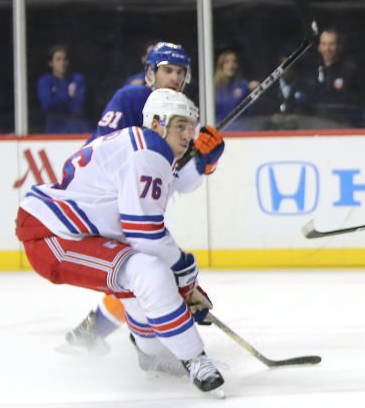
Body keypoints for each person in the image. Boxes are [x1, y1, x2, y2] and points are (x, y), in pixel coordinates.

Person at [15, 89, 227, 392]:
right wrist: (186, 279)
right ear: (157, 124)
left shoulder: (145, 148)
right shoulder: (149, 153)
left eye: (190, 128)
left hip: (71, 231)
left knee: (139, 280)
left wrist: (184, 285)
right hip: (51, 235)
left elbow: (143, 232)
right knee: (148, 274)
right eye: (180, 126)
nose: (188, 135)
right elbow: (145, 233)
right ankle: (195, 360)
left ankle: (153, 357)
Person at [66, 41, 224, 356]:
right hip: (101, 203)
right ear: (151, 72)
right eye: (168, 70)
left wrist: (204, 162)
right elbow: (103, 150)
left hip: (129, 204)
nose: (175, 77)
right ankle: (144, 346)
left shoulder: (179, 113)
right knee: (147, 273)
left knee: (145, 273)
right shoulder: (133, 99)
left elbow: (176, 183)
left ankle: (93, 334)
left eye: (180, 72)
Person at [314, 28, 365, 128]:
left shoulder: (350, 71)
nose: (327, 49)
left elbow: (356, 105)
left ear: (339, 47)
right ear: (319, 47)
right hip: (316, 127)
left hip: (341, 129)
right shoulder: (313, 71)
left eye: (331, 44)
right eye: (324, 44)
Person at [37, 44, 88, 134]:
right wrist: (68, 96)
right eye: (58, 59)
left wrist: (58, 100)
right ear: (51, 63)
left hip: (76, 129)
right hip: (54, 131)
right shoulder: (45, 81)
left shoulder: (76, 79)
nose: (62, 63)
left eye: (65, 59)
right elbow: (47, 104)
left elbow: (78, 105)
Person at [214, 48, 260, 130]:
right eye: (227, 62)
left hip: (240, 133)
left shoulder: (244, 86)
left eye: (234, 62)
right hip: (219, 132)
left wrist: (254, 93)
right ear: (221, 65)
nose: (231, 66)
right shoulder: (213, 88)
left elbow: (251, 113)